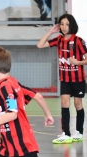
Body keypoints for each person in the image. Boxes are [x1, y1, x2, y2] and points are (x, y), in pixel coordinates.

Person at [37, 14, 87, 144]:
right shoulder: (58, 40)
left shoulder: (79, 41)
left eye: (67, 24)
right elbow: (40, 45)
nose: (64, 27)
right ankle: (66, 133)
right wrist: (51, 31)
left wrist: (77, 62)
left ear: (72, 25)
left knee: (78, 104)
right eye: (62, 24)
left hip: (78, 79)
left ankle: (79, 132)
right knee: (64, 104)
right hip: (64, 79)